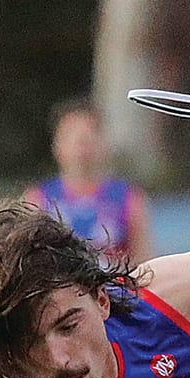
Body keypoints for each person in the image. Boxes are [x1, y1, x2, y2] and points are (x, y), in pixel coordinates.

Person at [25, 99, 152, 268]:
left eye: (90, 134)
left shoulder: (129, 199)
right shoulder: (37, 200)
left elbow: (145, 264)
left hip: (113, 291)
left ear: (104, 143)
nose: (81, 144)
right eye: (72, 135)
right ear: (57, 145)